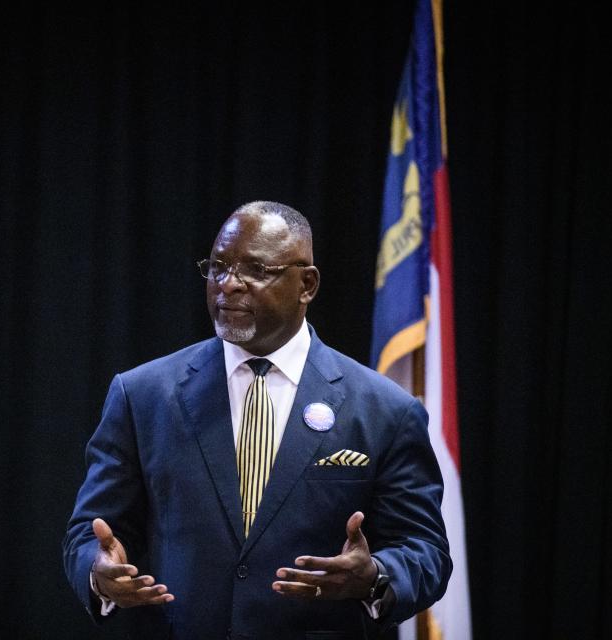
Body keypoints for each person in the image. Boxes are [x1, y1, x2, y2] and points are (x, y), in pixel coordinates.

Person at [63, 201, 451, 639]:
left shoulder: (386, 411)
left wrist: (378, 575)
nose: (228, 285)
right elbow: (90, 531)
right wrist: (98, 573)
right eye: (218, 267)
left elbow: (426, 550)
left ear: (307, 285)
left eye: (256, 271)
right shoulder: (142, 395)